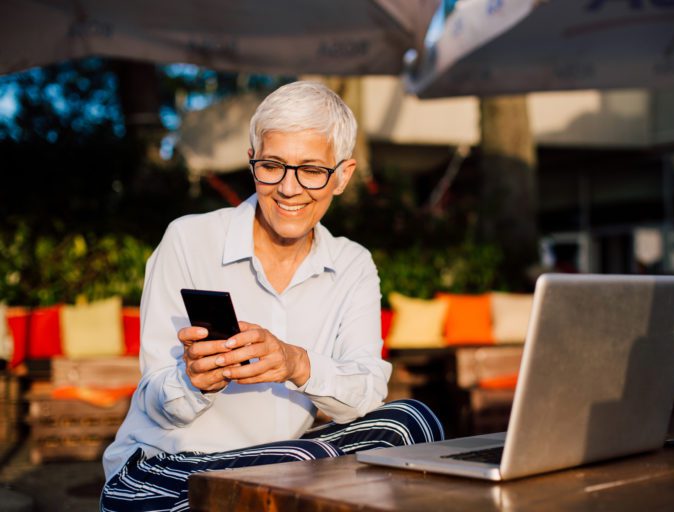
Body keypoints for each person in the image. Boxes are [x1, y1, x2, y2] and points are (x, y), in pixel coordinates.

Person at [100, 81, 443, 512]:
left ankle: (276, 483)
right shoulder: (188, 239)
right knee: (295, 461)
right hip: (169, 470)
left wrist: (297, 363)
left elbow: (364, 398)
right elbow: (158, 403)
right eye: (273, 165)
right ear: (252, 163)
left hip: (280, 466)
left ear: (342, 176)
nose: (289, 188)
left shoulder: (353, 264)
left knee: (411, 420)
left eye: (312, 170)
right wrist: (193, 381)